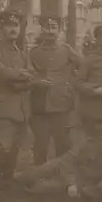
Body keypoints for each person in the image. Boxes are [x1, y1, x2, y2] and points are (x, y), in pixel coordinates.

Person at [0, 9, 48, 202]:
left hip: (21, 110)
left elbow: (30, 76)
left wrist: (20, 78)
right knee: (2, 149)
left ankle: (7, 183)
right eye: (8, 26)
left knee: (14, 150)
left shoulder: (22, 54)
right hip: (3, 109)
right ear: (1, 28)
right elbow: (2, 74)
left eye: (16, 26)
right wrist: (22, 77)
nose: (12, 29)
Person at [13, 121, 102, 200]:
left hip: (83, 179)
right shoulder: (88, 144)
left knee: (44, 188)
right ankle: (13, 179)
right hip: (66, 167)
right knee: (38, 171)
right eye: (101, 139)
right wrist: (70, 183)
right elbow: (67, 160)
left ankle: (21, 191)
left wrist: (82, 191)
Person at [27, 15, 82, 165]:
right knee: (41, 145)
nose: (50, 31)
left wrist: (71, 84)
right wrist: (36, 82)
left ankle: (62, 178)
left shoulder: (66, 50)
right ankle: (38, 178)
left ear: (59, 30)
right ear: (41, 29)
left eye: (54, 27)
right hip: (40, 106)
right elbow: (27, 74)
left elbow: (83, 70)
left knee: (63, 144)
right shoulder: (34, 53)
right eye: (47, 27)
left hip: (61, 105)